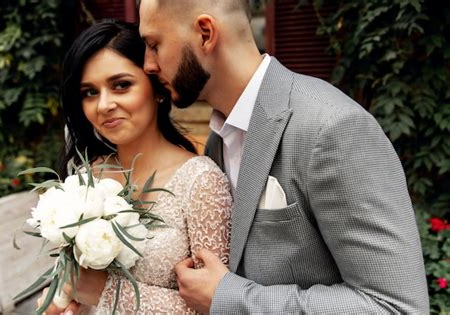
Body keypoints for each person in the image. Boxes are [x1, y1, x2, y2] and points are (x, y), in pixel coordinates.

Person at [138, 0, 430, 314]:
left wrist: (230, 299)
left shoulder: (330, 126)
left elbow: (395, 307)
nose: (148, 65)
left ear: (206, 33)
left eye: (154, 44)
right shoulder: (217, 141)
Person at [37, 19, 232, 314]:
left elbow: (215, 307)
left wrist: (107, 292)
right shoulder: (87, 176)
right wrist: (58, 298)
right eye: (89, 92)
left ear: (158, 89)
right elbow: (74, 278)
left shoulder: (201, 182)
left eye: (121, 85)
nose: (104, 105)